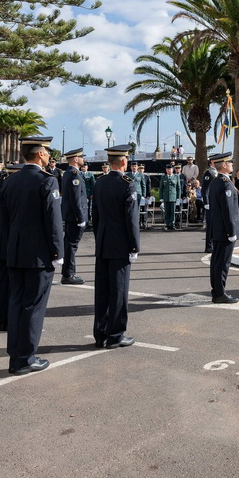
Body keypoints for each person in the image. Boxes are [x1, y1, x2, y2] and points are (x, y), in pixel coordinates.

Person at [0, 136, 63, 376]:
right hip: (38, 256)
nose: (47, 154)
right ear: (40, 154)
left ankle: (15, 355)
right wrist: (57, 252)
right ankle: (25, 358)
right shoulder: (47, 182)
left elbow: (1, 219)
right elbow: (53, 222)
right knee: (33, 306)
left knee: (16, 304)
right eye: (45, 150)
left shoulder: (11, 182)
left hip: (14, 252)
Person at [91, 145, 140, 349]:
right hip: (120, 245)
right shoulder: (127, 184)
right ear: (122, 162)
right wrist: (134, 247)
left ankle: (100, 333)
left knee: (102, 292)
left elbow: (95, 215)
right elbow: (131, 220)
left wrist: (99, 238)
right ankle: (116, 335)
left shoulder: (99, 183)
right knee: (119, 291)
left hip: (103, 243)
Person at [0, 164, 22, 332]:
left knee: (3, 286)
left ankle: (3, 320)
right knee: (15, 286)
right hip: (15, 247)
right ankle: (11, 320)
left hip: (2, 245)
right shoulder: (17, 197)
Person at [207, 152, 239, 303]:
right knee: (222, 262)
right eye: (230, 162)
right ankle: (219, 293)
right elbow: (228, 210)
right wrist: (231, 231)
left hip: (218, 229)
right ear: (224, 166)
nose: (232, 164)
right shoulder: (225, 183)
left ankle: (217, 290)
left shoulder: (216, 181)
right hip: (225, 230)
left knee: (216, 261)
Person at [59, 148, 87, 285]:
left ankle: (67, 272)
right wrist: (80, 218)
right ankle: (68, 274)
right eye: (81, 157)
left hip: (71, 216)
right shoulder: (74, 174)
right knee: (71, 245)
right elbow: (76, 199)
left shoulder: (69, 173)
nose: (83, 159)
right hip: (75, 217)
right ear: (75, 159)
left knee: (69, 244)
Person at [158, 163, 181, 231]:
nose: (169, 170)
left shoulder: (176, 177)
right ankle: (167, 224)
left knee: (172, 211)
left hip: (173, 196)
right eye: (167, 169)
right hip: (166, 196)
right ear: (166, 170)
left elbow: (178, 188)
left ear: (172, 169)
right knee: (167, 211)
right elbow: (161, 188)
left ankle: (172, 224)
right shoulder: (163, 177)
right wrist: (161, 197)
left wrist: (178, 197)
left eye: (170, 169)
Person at [200, 160, 216, 251]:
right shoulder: (209, 173)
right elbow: (205, 189)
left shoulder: (216, 172)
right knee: (210, 225)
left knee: (214, 225)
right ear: (211, 163)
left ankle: (213, 243)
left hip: (215, 202)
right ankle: (209, 245)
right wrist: (206, 202)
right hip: (210, 203)